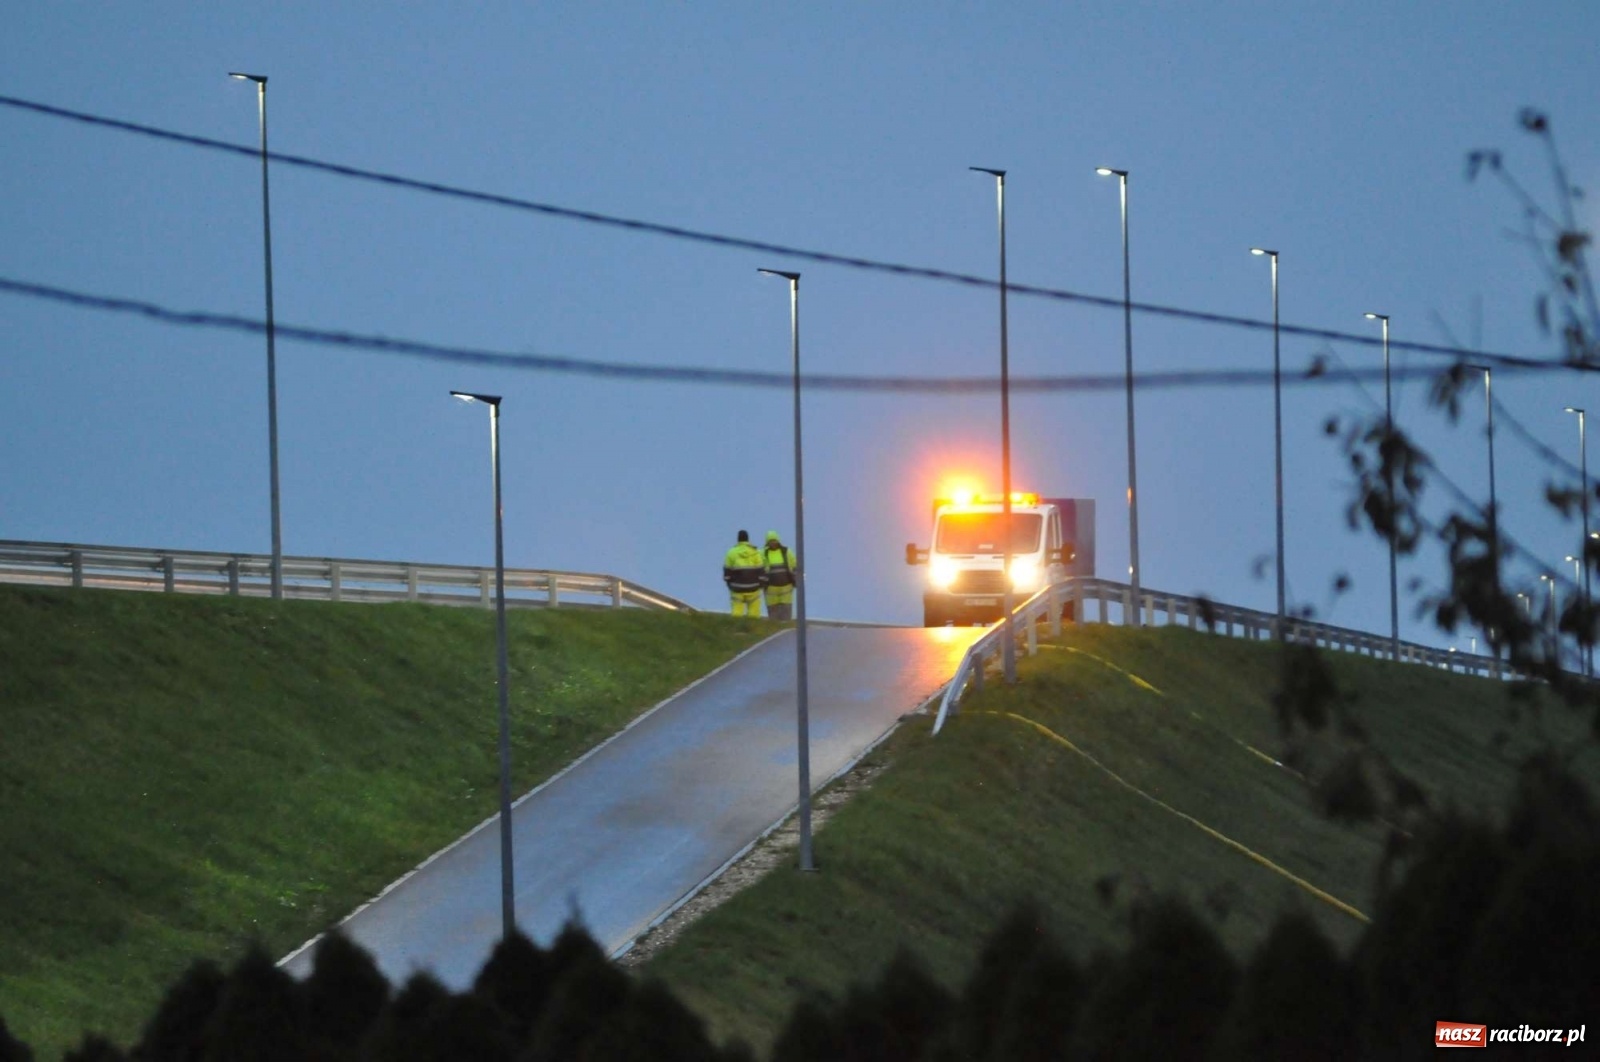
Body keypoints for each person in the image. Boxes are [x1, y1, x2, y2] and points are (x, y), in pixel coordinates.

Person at [723, 529, 767, 616]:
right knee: (754, 611)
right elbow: (761, 571)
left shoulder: (731, 552)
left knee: (737, 611)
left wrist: (730, 584)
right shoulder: (755, 553)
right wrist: (761, 584)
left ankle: (737, 628)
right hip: (753, 587)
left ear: (738, 539)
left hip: (737, 587)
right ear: (748, 539)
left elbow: (727, 574)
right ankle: (753, 627)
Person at [761, 530, 799, 621]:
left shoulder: (786, 552)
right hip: (770, 589)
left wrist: (797, 579)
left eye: (774, 540)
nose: (773, 543)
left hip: (786, 588)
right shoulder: (762, 553)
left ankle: (785, 626)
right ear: (767, 542)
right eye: (771, 541)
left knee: (786, 613)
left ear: (778, 541)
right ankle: (775, 628)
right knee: (773, 615)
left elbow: (795, 566)